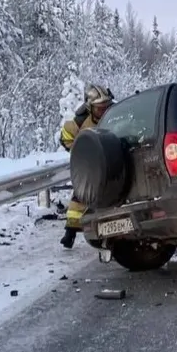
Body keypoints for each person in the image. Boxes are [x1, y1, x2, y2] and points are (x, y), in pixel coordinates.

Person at [57, 84, 115, 248]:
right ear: (90, 107)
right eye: (99, 108)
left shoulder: (115, 114)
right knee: (81, 196)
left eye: (105, 107)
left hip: (113, 160)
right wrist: (78, 150)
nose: (103, 111)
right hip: (92, 165)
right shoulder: (81, 121)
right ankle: (70, 232)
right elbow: (66, 136)